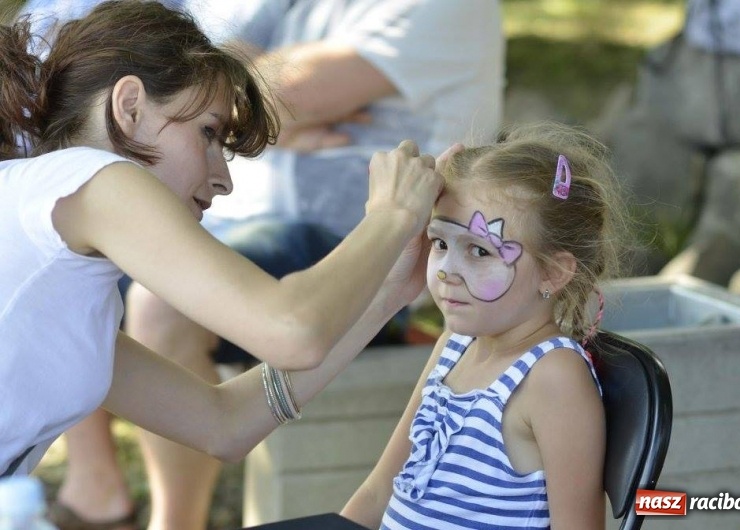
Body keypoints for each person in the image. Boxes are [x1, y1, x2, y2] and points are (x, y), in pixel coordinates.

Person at [18, 1, 505, 528]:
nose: (224, 179)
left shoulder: (67, 263)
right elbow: (292, 332)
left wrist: (385, 294)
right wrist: (389, 216)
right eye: (208, 133)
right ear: (130, 106)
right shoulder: (93, 178)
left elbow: (221, 424)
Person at [340, 122, 629, 529]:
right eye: (440, 243)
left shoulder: (553, 378)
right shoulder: (455, 345)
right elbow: (377, 492)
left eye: (479, 251)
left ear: (554, 273)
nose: (447, 272)